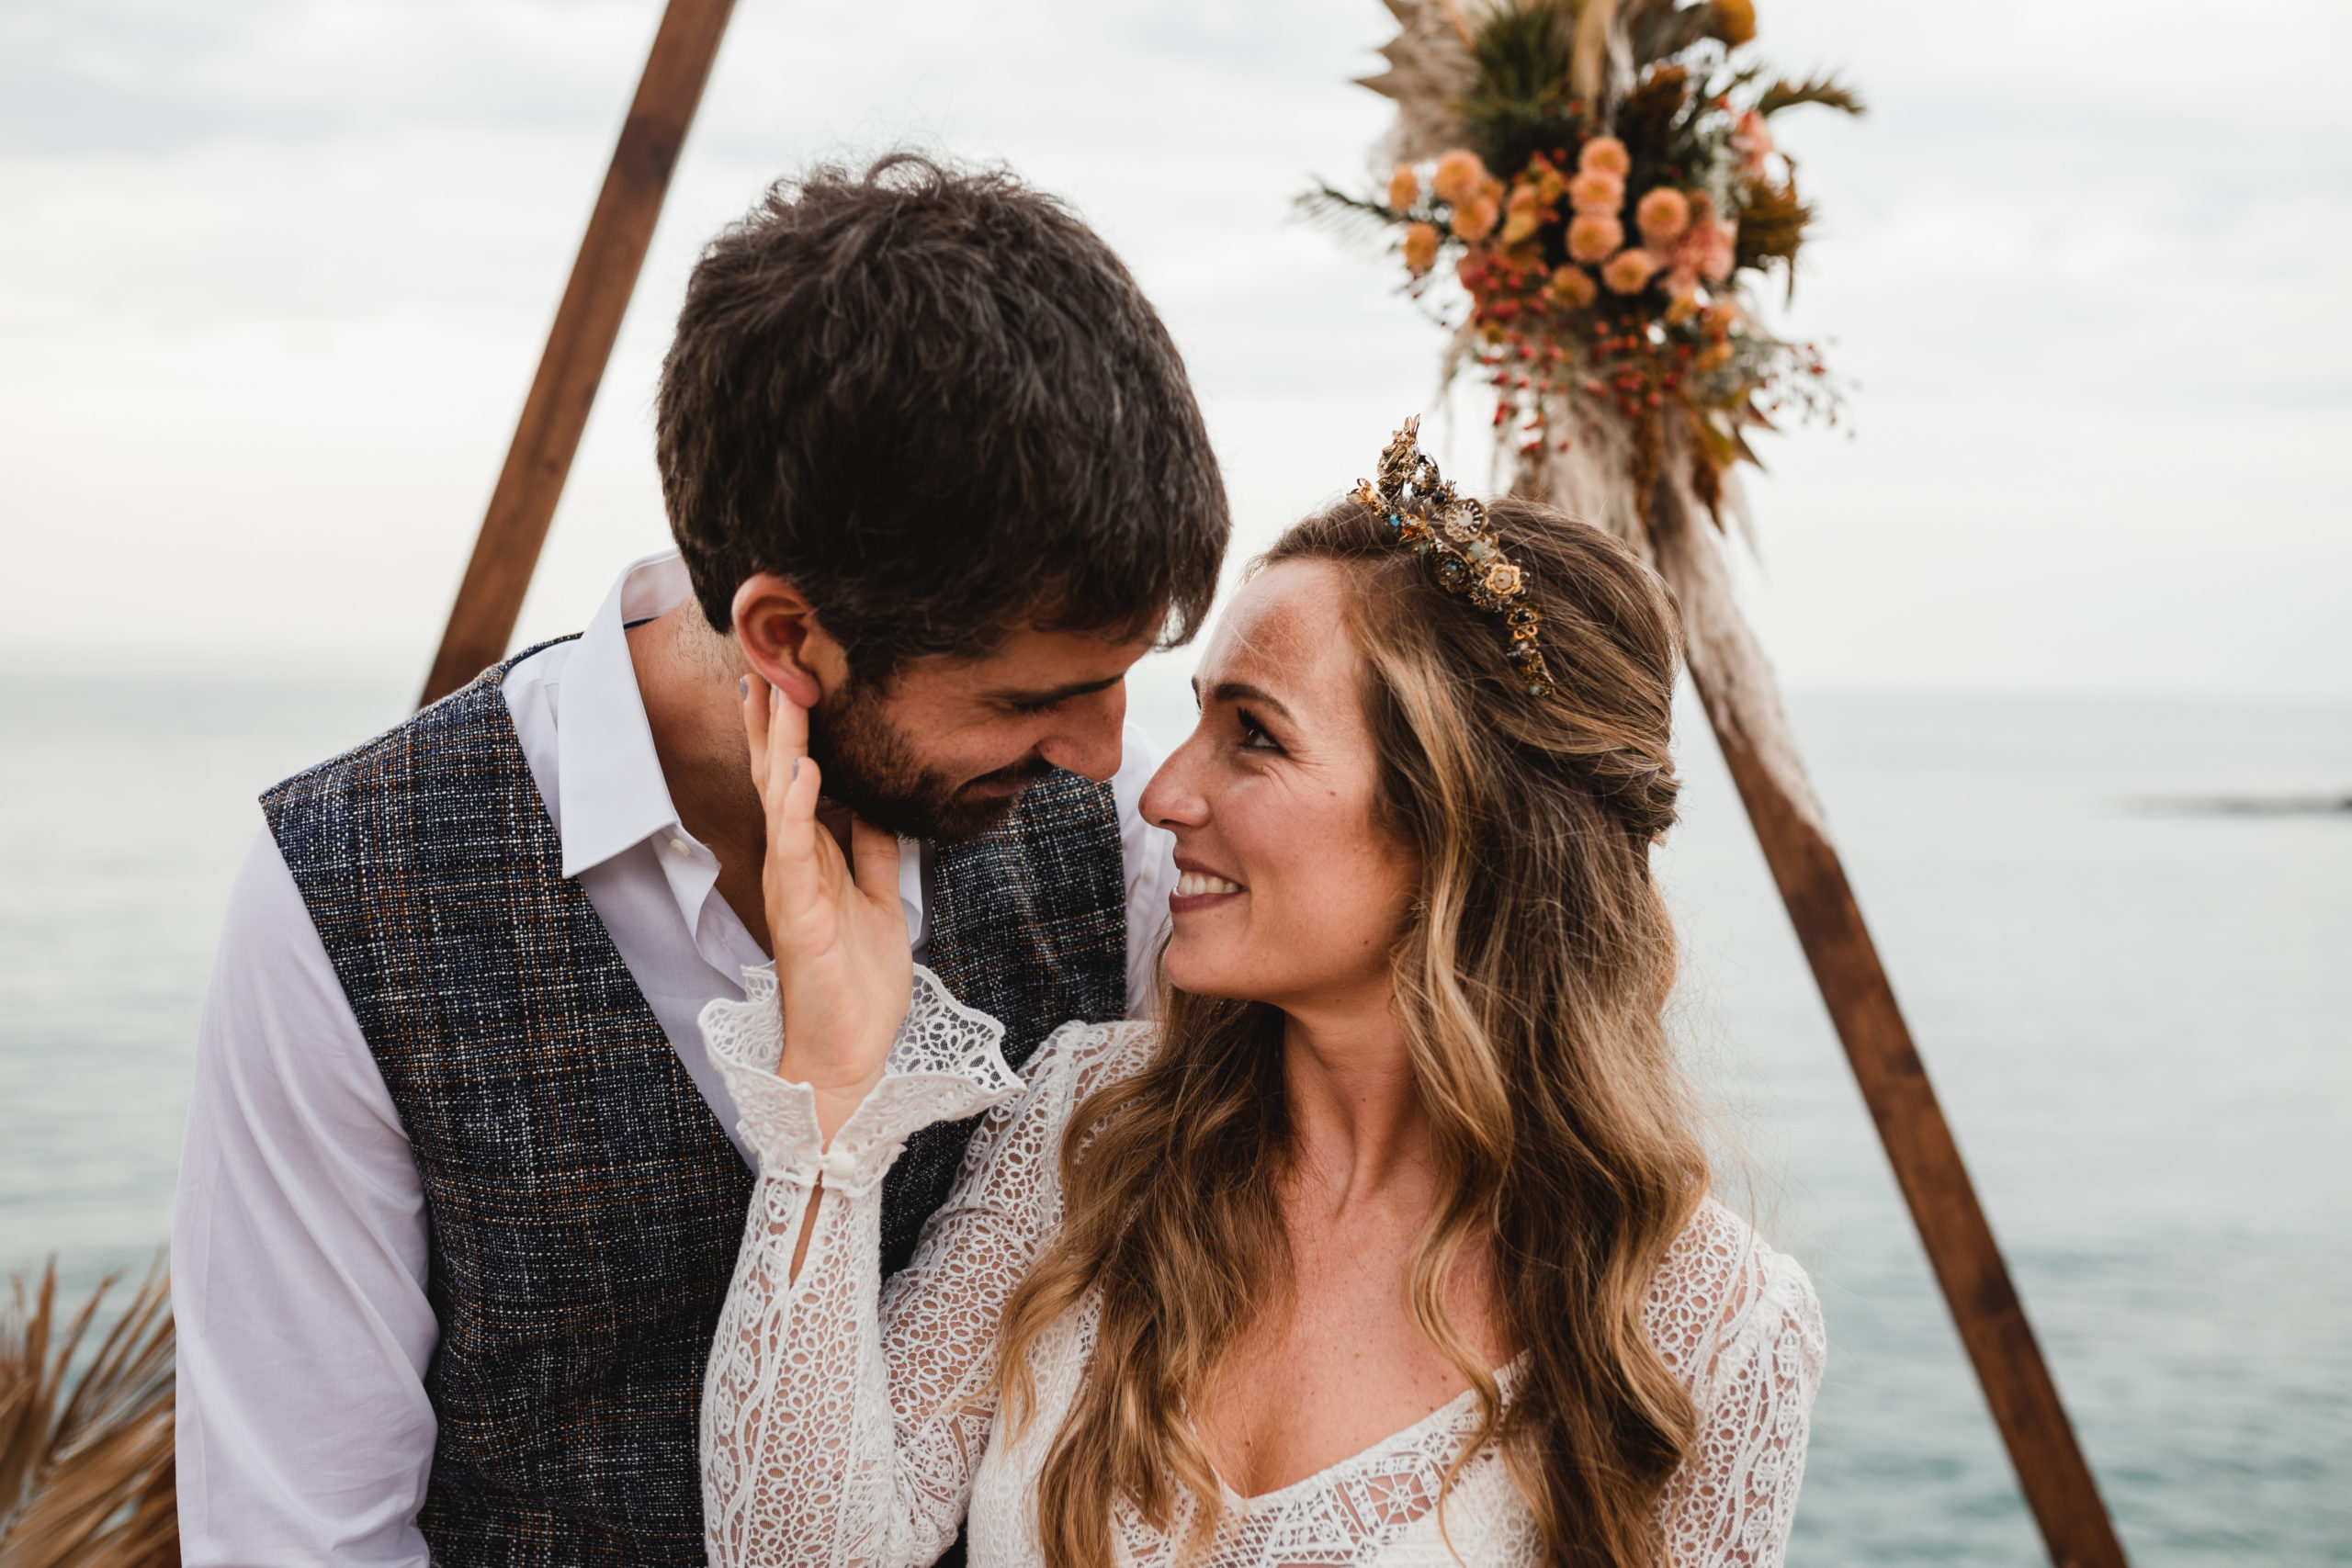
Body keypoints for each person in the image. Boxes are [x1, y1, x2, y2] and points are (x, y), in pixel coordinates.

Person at [171, 154, 1227, 1567]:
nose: (1111, 757)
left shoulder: (1115, 845)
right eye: (1030, 699)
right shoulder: (341, 897)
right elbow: (298, 1530)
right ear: (788, 636)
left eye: (1119, 680)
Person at [697, 425, 1827, 1568]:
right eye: (1193, 720)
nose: (1163, 793)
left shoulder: (1710, 1325)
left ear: (1461, 818)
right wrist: (829, 1105)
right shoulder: (1086, 1126)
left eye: (1253, 736)